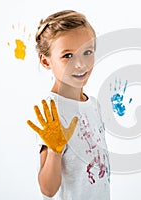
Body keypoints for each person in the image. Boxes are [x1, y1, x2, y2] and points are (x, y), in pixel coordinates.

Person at [27, 10, 110, 200]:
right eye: (68, 56)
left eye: (87, 52)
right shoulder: (53, 110)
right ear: (45, 61)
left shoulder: (93, 104)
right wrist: (55, 153)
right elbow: (48, 189)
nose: (80, 64)